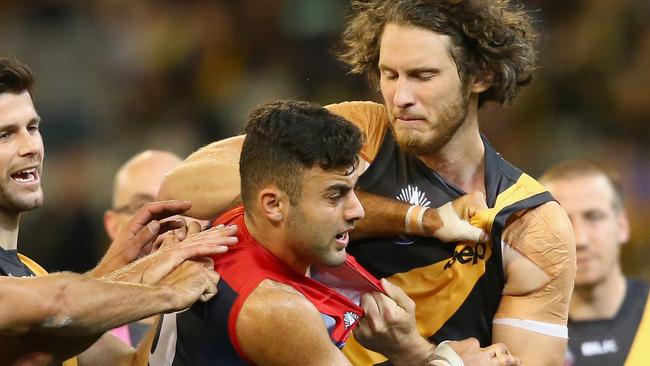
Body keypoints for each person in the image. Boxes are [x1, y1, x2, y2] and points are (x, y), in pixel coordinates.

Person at [159, 1, 576, 365]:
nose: (399, 97)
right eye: (389, 74)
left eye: (422, 75)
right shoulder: (364, 132)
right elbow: (180, 192)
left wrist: (413, 352)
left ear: (481, 76)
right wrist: (417, 219)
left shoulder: (530, 225)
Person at [151, 100, 518, 366]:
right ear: (273, 205)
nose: (357, 211)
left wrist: (422, 219)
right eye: (336, 195)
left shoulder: (235, 221)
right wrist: (443, 361)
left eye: (353, 190)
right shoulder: (274, 309)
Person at [0, 57, 237, 366]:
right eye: (5, 134)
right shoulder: (43, 292)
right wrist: (165, 290)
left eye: (32, 127)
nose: (30, 146)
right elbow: (57, 305)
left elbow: (131, 362)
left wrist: (143, 267)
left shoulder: (31, 271)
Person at [540, 160, 650, 366]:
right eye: (563, 221)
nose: (580, 240)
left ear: (622, 226)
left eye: (594, 217)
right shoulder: (523, 333)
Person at [103, 149, 184, 346]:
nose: (164, 216)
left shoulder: (230, 313)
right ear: (113, 225)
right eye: (142, 206)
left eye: (176, 203)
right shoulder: (88, 332)